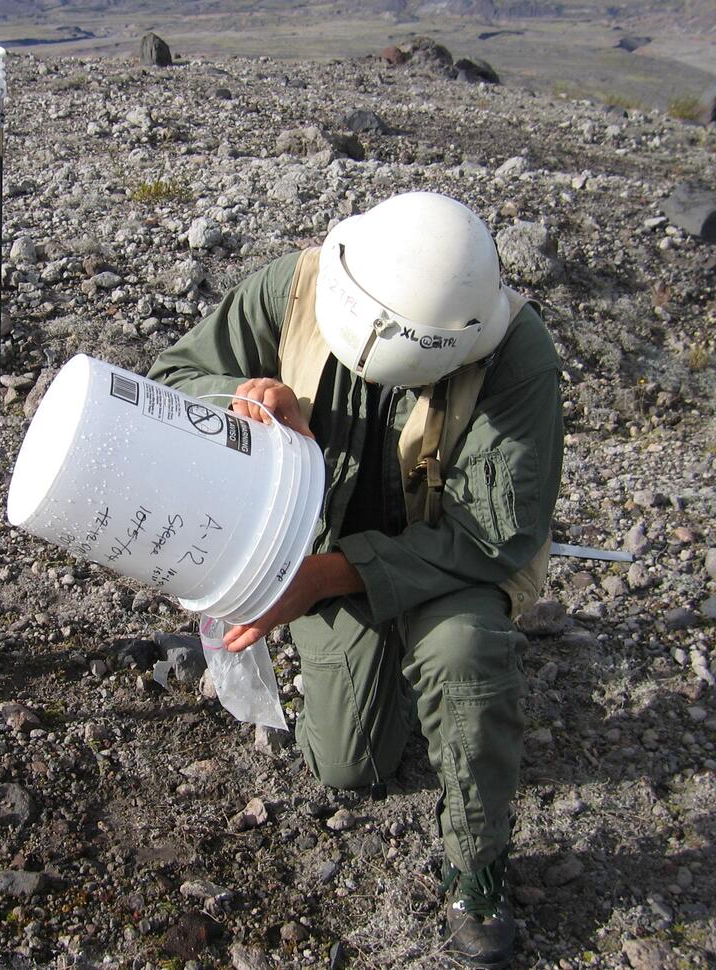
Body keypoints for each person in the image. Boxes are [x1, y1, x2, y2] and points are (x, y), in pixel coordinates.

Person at [148, 191, 563, 968]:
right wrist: (241, 402)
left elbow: (494, 536)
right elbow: (172, 377)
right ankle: (396, 677)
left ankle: (477, 867)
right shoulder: (297, 289)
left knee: (463, 653)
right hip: (326, 555)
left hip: (450, 570)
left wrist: (319, 580)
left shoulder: (516, 356)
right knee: (350, 765)